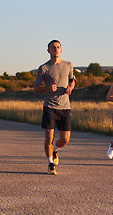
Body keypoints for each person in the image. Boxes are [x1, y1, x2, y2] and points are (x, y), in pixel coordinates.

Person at [34, 40, 76, 175]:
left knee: (65, 139)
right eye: (53, 47)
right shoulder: (43, 68)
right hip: (49, 107)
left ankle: (55, 150)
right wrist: (47, 88)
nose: (56, 49)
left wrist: (71, 87)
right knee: (49, 137)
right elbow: (36, 88)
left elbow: (72, 80)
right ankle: (50, 163)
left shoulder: (68, 65)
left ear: (61, 50)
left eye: (58, 47)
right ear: (48, 51)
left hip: (65, 106)